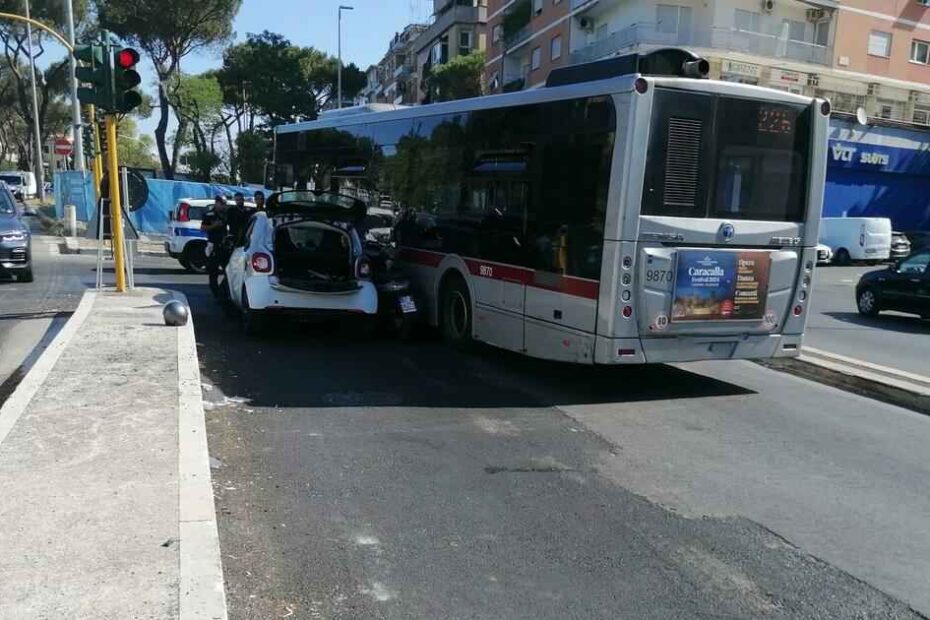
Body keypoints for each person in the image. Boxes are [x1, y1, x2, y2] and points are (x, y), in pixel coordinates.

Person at [201, 196, 230, 296]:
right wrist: (214, 225)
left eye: (224, 204)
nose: (223, 206)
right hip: (213, 245)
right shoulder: (209, 214)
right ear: (217, 203)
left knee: (229, 270)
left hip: (225, 246)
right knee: (213, 271)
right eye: (222, 204)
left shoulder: (226, 214)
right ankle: (216, 292)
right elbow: (203, 228)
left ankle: (225, 290)